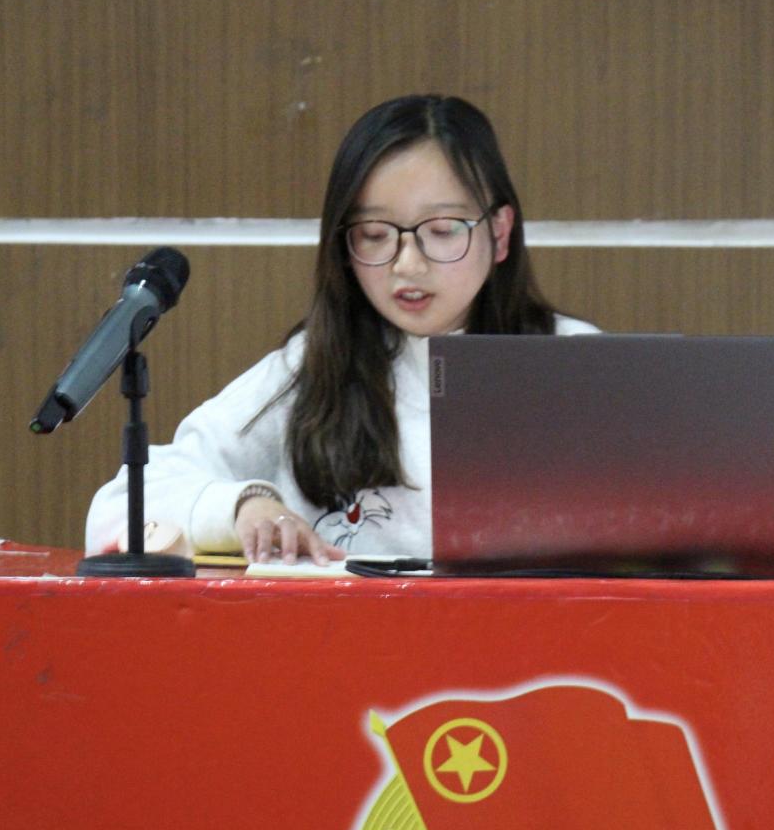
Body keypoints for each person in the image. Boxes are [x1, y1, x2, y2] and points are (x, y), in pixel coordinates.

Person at [85, 94, 598, 565]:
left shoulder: (582, 364)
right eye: (374, 235)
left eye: (441, 230)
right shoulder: (312, 369)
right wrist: (243, 506)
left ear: (500, 233)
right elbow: (120, 506)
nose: (407, 264)